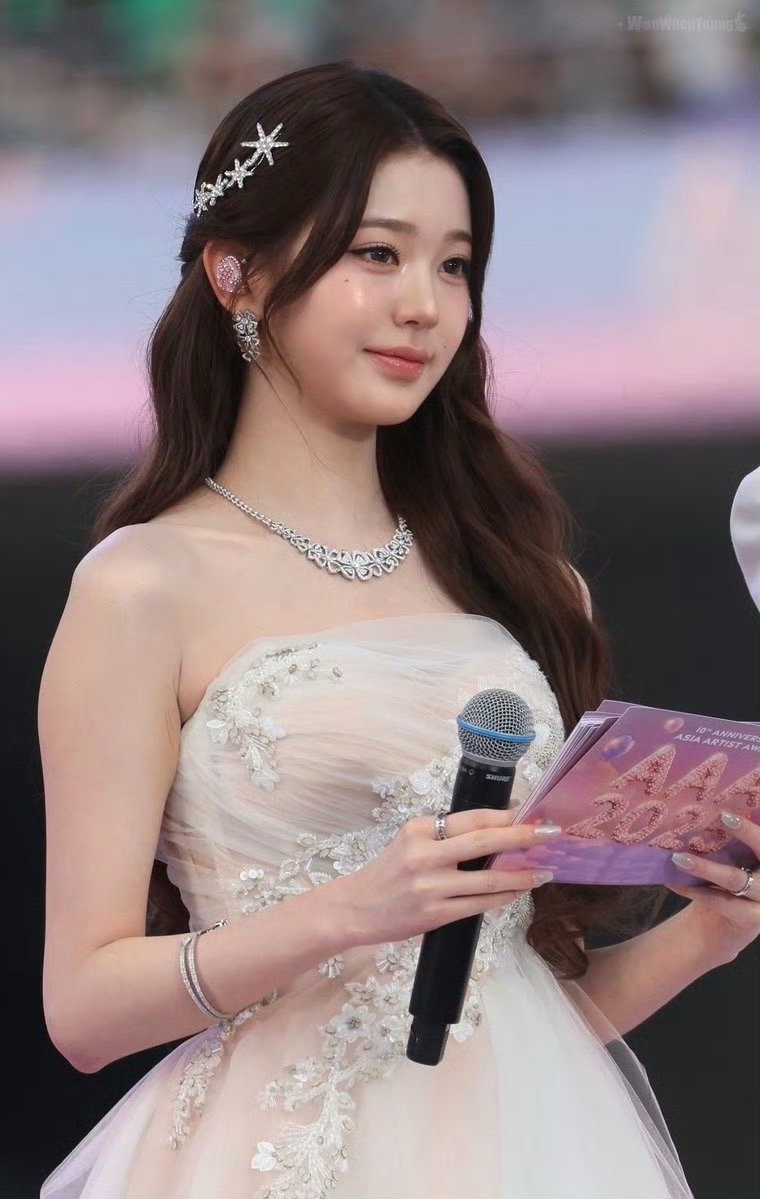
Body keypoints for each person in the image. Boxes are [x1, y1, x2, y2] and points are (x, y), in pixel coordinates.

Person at [38, 60, 757, 1199]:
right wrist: (349, 912)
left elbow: (502, 1022)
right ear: (235, 272)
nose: (424, 303)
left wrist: (708, 930)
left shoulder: (522, 583)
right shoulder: (142, 587)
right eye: (378, 253)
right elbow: (83, 1009)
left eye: (454, 264)